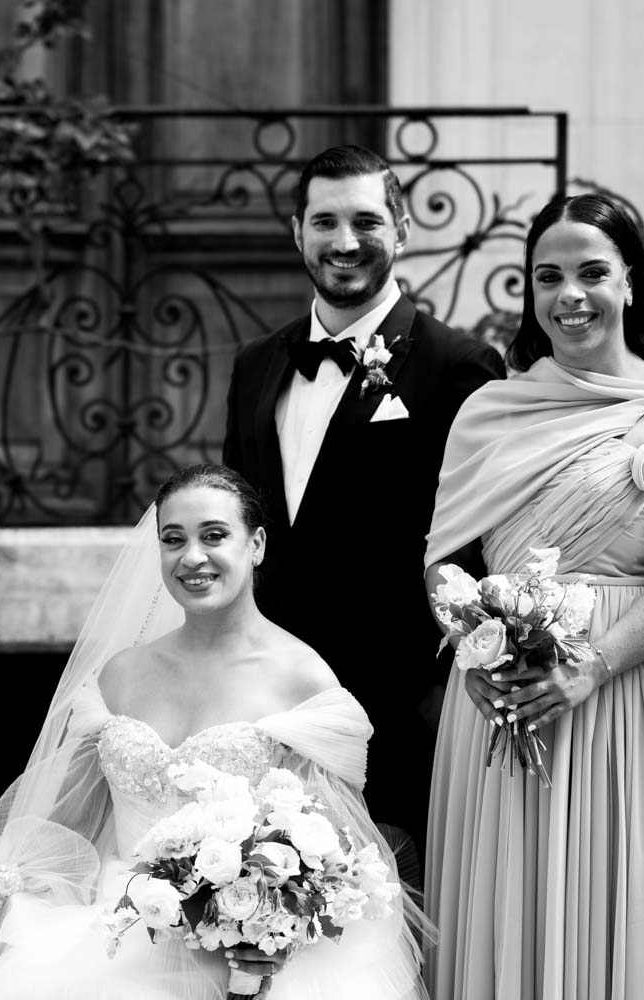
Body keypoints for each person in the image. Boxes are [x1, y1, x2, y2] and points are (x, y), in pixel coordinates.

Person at [421, 192, 644, 998]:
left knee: (622, 914)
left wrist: (590, 667)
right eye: (547, 277)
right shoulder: (486, 411)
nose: (568, 295)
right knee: (506, 915)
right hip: (498, 707)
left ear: (631, 282)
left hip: (621, 701)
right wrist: (472, 645)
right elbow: (442, 561)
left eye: (591, 273)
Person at [0, 464, 430, 999]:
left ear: (257, 545)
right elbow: (66, 811)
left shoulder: (303, 680)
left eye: (214, 535)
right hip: (114, 937)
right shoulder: (121, 674)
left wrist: (276, 930)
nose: (192, 557)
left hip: (245, 958)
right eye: (173, 540)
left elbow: (336, 856)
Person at [223, 144, 504, 874]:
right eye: (324, 222)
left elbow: (477, 545)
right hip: (269, 710)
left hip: (400, 719)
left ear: (402, 230)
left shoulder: (459, 366)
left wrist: (439, 697)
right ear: (297, 232)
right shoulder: (254, 365)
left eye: (365, 221)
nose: (344, 242)